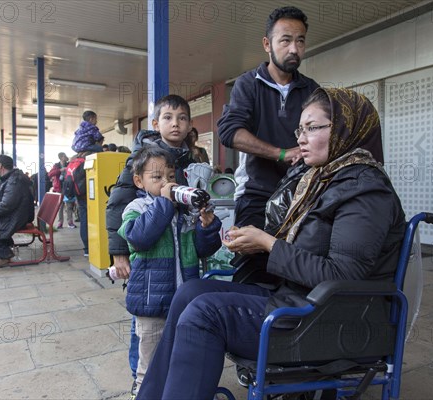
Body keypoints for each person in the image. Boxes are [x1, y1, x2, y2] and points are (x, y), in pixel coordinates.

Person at [135, 87, 407, 400]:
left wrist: (268, 244)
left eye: (313, 128)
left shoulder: (365, 190)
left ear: (347, 127)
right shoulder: (322, 179)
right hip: (301, 301)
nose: (301, 138)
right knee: (190, 291)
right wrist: (259, 244)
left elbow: (343, 277)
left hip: (333, 321)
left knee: (204, 313)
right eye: (300, 129)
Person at [106, 94, 196, 398]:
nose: (176, 124)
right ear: (156, 124)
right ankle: (139, 380)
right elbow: (118, 202)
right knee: (144, 323)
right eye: (168, 118)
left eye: (182, 118)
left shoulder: (189, 159)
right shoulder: (143, 158)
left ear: (189, 125)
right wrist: (119, 252)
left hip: (176, 259)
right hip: (147, 258)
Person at [117, 146, 222, 395]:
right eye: (157, 178)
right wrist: (164, 203)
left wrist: (206, 228)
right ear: (139, 181)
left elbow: (202, 250)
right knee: (150, 363)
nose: (167, 183)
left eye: (171, 177)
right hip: (152, 302)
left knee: (182, 357)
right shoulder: (136, 209)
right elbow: (140, 238)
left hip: (184, 300)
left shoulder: (184, 213)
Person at [217, 6, 319, 229]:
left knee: (297, 261)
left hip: (301, 195)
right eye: (285, 40)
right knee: (251, 259)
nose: (294, 49)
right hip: (256, 195)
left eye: (300, 41)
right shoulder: (248, 84)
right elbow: (229, 132)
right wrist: (280, 153)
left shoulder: (312, 89)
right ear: (267, 44)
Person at [48, 152, 73, 228]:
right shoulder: (56, 165)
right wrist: (60, 170)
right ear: (61, 157)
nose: (66, 157)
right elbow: (50, 174)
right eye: (65, 156)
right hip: (59, 188)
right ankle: (60, 222)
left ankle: (70, 222)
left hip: (68, 187)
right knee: (60, 206)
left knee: (69, 205)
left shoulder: (69, 164)